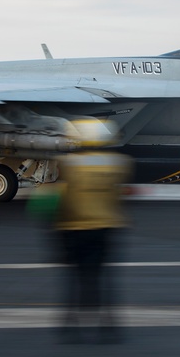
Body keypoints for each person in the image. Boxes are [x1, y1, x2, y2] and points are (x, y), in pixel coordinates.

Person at [53, 119, 133, 344]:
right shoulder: (118, 163)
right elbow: (120, 194)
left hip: (73, 229)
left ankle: (71, 327)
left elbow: (60, 197)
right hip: (106, 228)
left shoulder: (68, 163)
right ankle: (109, 326)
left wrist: (55, 232)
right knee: (104, 279)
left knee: (75, 280)